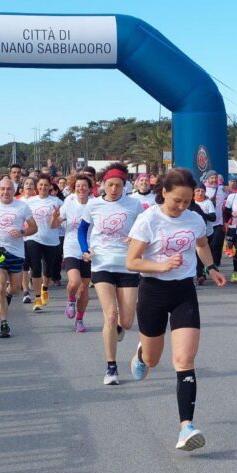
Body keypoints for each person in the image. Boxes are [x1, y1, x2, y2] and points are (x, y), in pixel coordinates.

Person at [126, 167, 227, 452]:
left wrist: (211, 267)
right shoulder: (148, 220)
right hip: (153, 292)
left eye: (187, 202)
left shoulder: (194, 219)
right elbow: (132, 261)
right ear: (164, 193)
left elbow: (202, 243)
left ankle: (186, 427)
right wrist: (160, 265)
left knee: (184, 360)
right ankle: (142, 352)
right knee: (154, 360)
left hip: (184, 291)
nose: (182, 207)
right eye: (176, 201)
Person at [78, 163, 144, 385]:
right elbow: (82, 229)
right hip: (101, 264)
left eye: (118, 185)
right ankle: (111, 368)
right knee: (110, 315)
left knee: (126, 321)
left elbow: (144, 230)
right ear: (102, 185)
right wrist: (84, 250)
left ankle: (117, 329)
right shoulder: (93, 205)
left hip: (127, 265)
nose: (114, 189)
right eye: (110, 185)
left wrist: (135, 239)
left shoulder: (134, 205)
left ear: (125, 186)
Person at [0, 178, 38, 338]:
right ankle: (4, 323)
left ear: (14, 190)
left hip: (17, 252)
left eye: (9, 189)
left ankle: (8, 294)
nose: (5, 192)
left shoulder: (22, 206)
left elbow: (34, 227)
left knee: (15, 288)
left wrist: (22, 233)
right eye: (2, 189)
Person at [56, 173, 93, 332]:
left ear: (90, 188)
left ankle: (79, 319)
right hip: (71, 246)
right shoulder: (69, 203)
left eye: (84, 186)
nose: (81, 188)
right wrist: (54, 217)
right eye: (78, 186)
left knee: (84, 288)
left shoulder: (95, 204)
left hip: (90, 249)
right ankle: (70, 300)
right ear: (74, 188)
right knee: (74, 282)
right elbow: (55, 224)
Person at [24, 175, 62, 312]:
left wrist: (56, 217)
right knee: (35, 267)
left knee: (48, 269)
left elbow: (55, 225)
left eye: (46, 185)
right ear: (36, 187)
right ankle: (37, 298)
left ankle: (44, 288)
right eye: (40, 185)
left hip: (51, 240)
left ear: (50, 187)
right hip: (33, 238)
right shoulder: (29, 202)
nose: (43, 187)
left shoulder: (57, 202)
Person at [190, 183, 216, 285]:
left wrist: (202, 214)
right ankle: (199, 274)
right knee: (195, 254)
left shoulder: (207, 203)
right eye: (198, 191)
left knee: (201, 253)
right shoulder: (190, 203)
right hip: (192, 234)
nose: (200, 193)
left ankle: (202, 273)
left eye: (202, 191)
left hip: (207, 232)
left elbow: (213, 218)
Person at [202, 170, 226, 266]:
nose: (214, 180)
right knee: (207, 245)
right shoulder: (202, 189)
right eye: (211, 178)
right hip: (206, 224)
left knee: (217, 245)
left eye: (215, 178)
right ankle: (206, 264)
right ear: (207, 179)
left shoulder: (222, 189)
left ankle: (215, 265)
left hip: (218, 223)